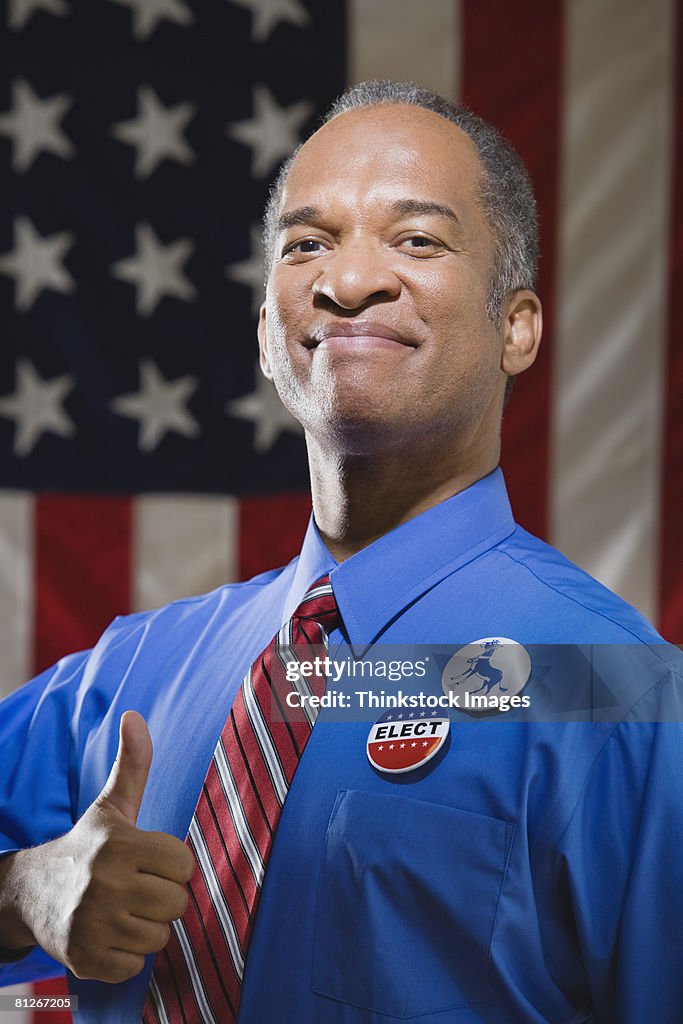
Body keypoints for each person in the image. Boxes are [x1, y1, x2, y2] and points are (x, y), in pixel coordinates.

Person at [0, 80, 682, 1024]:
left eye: (415, 240)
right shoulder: (129, 675)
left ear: (516, 327)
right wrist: (21, 894)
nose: (348, 280)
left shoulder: (616, 693)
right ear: (268, 335)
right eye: (307, 243)